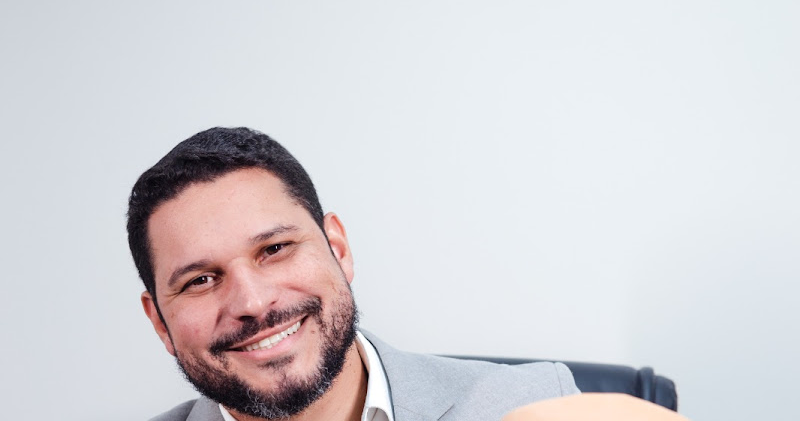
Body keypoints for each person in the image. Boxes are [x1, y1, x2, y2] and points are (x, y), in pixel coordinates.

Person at [128, 127, 579, 421]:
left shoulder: (533, 404)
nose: (252, 303)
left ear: (338, 249)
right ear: (159, 322)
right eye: (200, 280)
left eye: (275, 249)